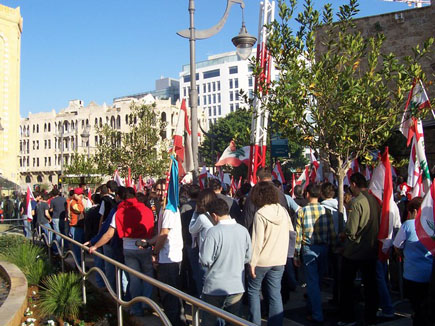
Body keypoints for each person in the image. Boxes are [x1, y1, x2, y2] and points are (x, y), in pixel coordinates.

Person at [200, 198, 252, 326]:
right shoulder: (243, 230)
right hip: (236, 286)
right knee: (234, 321)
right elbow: (248, 257)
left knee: (209, 321)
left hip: (215, 286)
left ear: (214, 216)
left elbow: (205, 259)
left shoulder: (213, 232)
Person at [248, 181, 292, 326]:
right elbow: (291, 233)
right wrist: (291, 255)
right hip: (279, 260)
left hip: (261, 261)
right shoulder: (283, 211)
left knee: (254, 291)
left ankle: (254, 323)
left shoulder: (260, 213)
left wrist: (252, 263)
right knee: (275, 294)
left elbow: (257, 241)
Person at [338, 173, 380, 326]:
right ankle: (371, 316)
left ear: (354, 184)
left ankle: (348, 317)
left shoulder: (357, 202)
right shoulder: (374, 200)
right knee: (370, 285)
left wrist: (343, 234)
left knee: (347, 285)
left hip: (355, 250)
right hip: (371, 248)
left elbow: (351, 230)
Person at [294, 184, 337, 324]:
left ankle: (317, 314)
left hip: (309, 249)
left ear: (307, 194)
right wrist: (335, 247)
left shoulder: (302, 212)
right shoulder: (326, 211)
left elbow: (298, 236)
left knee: (312, 282)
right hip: (323, 249)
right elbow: (332, 233)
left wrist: (296, 254)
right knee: (317, 281)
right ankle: (313, 307)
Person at [393, 197, 432, 326]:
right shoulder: (432, 225)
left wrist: (406, 254)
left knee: (417, 307)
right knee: (426, 306)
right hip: (430, 274)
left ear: (415, 211)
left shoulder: (408, 225)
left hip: (412, 275)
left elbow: (397, 246)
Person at [241, 167, 289, 233]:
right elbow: (286, 215)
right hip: (278, 237)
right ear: (271, 178)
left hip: (258, 236)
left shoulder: (253, 193)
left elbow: (247, 220)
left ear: (258, 178)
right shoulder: (280, 194)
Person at [69, 187, 85, 265]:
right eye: (80, 194)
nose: (82, 196)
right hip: (75, 227)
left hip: (80, 226)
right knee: (77, 248)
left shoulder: (80, 201)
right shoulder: (73, 202)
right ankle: (78, 264)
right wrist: (79, 200)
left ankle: (81, 263)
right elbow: (80, 209)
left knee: (80, 247)